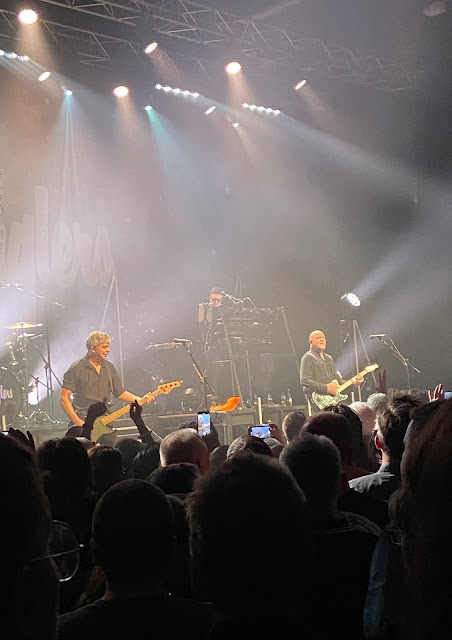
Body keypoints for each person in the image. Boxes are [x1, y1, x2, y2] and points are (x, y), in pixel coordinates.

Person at [59, 331, 151, 428]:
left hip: (105, 421)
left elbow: (120, 393)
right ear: (93, 348)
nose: (108, 350)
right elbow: (63, 397)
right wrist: (77, 421)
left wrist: (140, 399)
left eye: (108, 347)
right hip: (83, 420)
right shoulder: (76, 368)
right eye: (104, 347)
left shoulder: (109, 367)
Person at [300, 330, 362, 412]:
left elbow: (337, 380)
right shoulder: (308, 357)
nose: (322, 339)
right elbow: (304, 380)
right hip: (319, 401)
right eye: (318, 338)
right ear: (311, 342)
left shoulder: (329, 358)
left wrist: (353, 382)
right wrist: (325, 388)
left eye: (323, 338)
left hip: (334, 401)